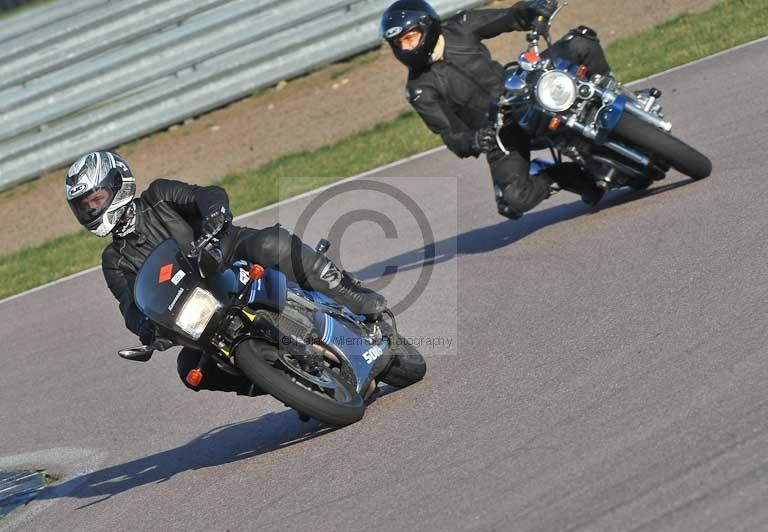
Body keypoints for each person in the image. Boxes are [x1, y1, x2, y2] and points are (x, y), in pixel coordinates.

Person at [65, 151, 386, 392]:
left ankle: (352, 296)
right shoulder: (114, 260)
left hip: (222, 254)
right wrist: (147, 330)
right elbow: (130, 305)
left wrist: (215, 215)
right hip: (195, 307)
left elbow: (205, 194)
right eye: (85, 206)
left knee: (272, 245)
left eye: (97, 199)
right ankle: (291, 384)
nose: (93, 209)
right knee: (191, 369)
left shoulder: (159, 195)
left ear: (118, 184)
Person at [381, 0, 613, 219]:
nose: (405, 47)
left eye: (410, 37)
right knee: (514, 200)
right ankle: (565, 175)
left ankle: (610, 95)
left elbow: (511, 16)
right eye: (398, 43)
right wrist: (476, 140)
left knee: (580, 42)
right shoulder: (419, 89)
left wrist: (535, 10)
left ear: (427, 26)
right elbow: (452, 135)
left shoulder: (461, 27)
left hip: (522, 92)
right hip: (499, 132)